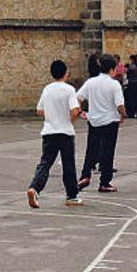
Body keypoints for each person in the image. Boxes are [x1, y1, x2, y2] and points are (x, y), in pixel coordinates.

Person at [26, 60, 83, 208]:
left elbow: (39, 110)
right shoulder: (69, 89)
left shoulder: (47, 89)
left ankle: (34, 188)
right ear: (65, 73)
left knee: (45, 162)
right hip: (65, 131)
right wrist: (69, 119)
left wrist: (52, 114)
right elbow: (74, 110)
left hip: (49, 131)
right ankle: (71, 195)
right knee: (68, 164)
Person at [77, 54, 126, 193]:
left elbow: (78, 97)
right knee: (108, 151)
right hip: (110, 121)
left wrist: (80, 111)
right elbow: (119, 104)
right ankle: (105, 181)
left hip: (94, 120)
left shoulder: (91, 82)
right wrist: (123, 114)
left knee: (91, 149)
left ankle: (85, 175)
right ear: (112, 68)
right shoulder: (114, 84)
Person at [125, 54, 137, 119]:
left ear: (132, 59)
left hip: (131, 83)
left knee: (131, 99)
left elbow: (128, 75)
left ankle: (131, 113)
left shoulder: (130, 67)